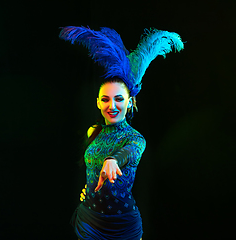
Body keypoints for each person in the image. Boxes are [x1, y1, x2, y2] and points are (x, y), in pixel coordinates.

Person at [59, 26, 183, 240]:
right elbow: (92, 173)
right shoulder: (93, 132)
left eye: (119, 99)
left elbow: (127, 153)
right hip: (87, 221)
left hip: (120, 227)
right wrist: (88, 193)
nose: (112, 105)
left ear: (130, 102)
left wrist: (113, 160)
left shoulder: (135, 139)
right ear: (98, 102)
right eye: (106, 99)